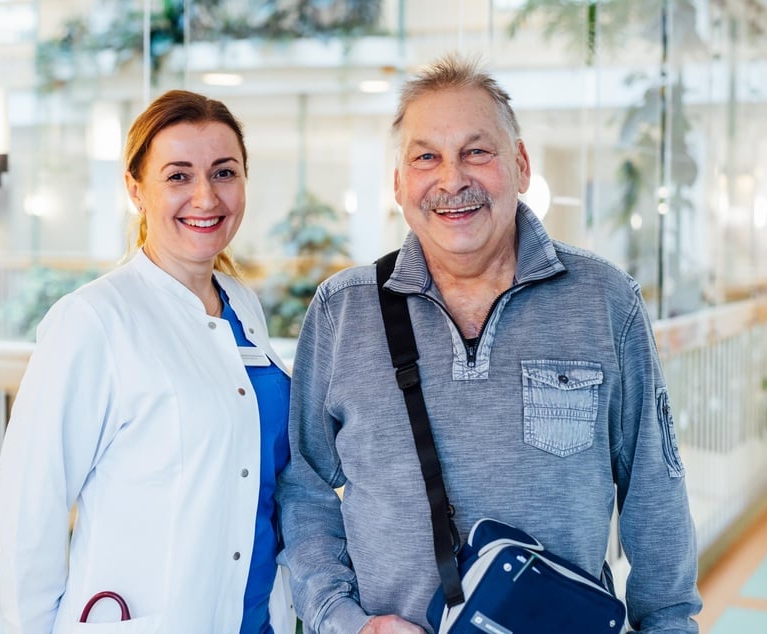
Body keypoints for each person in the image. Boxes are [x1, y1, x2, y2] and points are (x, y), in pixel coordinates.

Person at [276, 55, 702, 633]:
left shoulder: (604, 301)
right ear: (399, 183)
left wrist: (669, 625)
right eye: (426, 157)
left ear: (521, 165)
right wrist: (342, 619)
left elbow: (655, 491)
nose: (452, 180)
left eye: (477, 152)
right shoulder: (344, 310)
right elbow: (305, 487)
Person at [0, 90, 295, 633]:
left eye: (224, 173)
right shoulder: (93, 319)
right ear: (136, 190)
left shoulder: (241, 305)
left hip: (255, 617)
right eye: (178, 176)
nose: (206, 196)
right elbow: (28, 508)